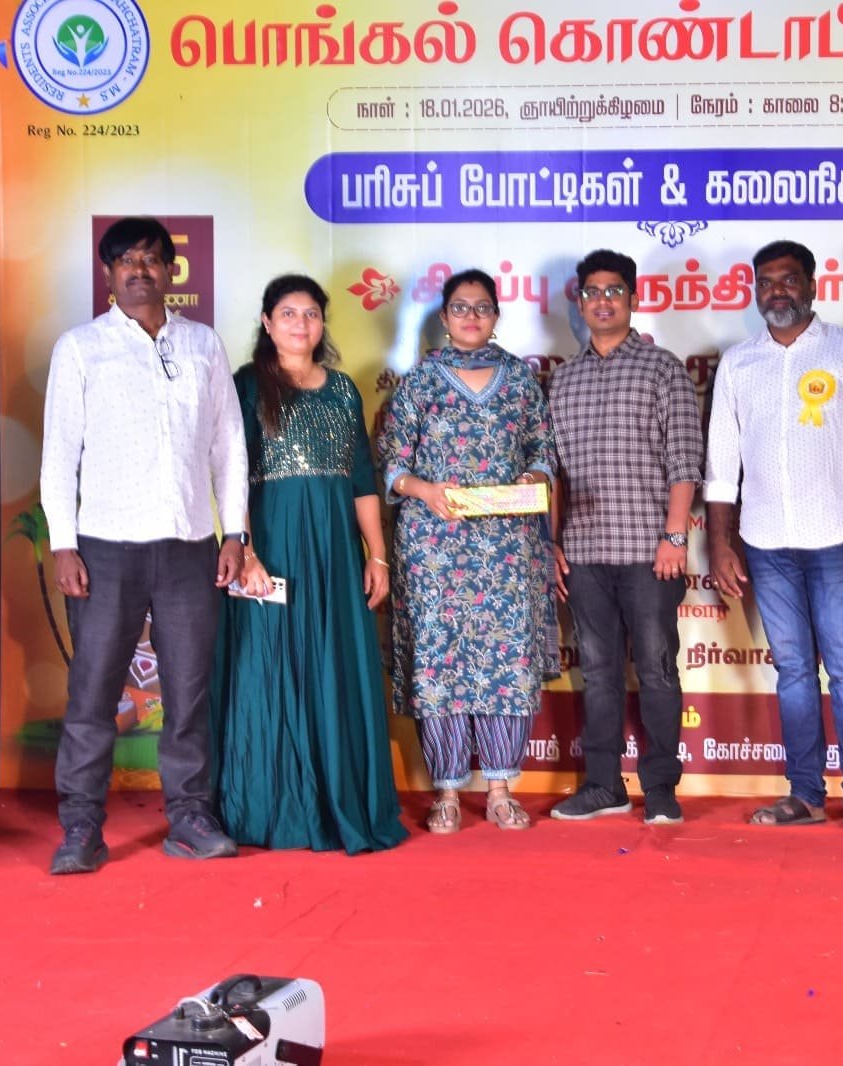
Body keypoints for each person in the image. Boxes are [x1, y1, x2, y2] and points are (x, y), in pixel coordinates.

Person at [40, 216, 247, 873]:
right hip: (105, 549)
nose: (139, 270)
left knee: (188, 694)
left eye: (151, 259)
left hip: (189, 546)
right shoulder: (81, 348)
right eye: (125, 260)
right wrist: (63, 544)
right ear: (108, 274)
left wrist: (235, 532)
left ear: (171, 271)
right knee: (93, 694)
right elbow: (58, 454)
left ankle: (190, 816)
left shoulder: (202, 345)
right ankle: (81, 827)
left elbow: (228, 446)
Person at [705, 239, 843, 840]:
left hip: (840, 539)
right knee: (792, 671)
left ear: (812, 285)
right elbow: (722, 466)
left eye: (788, 280)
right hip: (766, 543)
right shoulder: (739, 364)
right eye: (766, 282)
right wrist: (720, 544)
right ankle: (806, 793)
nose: (777, 292)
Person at [209, 275, 408, 854]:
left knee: (333, 666)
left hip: (334, 551)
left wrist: (377, 555)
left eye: (312, 314)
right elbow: (231, 475)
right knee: (266, 667)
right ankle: (269, 808)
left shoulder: (343, 390)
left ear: (323, 324)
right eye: (289, 313)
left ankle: (338, 801)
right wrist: (245, 548)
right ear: (267, 323)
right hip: (269, 544)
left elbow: (362, 480)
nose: (301, 323)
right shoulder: (246, 386)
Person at [376, 269, 558, 833]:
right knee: (440, 663)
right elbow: (391, 463)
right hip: (434, 548)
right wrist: (425, 490)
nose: (471, 316)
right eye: (460, 307)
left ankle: (500, 789)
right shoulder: (419, 383)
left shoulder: (520, 379)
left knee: (507, 660)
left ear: (496, 315)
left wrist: (534, 474)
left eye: (482, 307)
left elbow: (543, 448)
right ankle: (447, 792)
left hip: (507, 548)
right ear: (444, 317)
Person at [547, 250, 704, 824]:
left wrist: (675, 538)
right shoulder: (563, 379)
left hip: (649, 552)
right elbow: (553, 473)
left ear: (632, 299)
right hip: (584, 553)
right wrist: (552, 543)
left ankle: (661, 787)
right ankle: (603, 785)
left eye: (614, 290)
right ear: (580, 302)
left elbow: (685, 462)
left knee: (657, 670)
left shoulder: (663, 369)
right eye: (592, 292)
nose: (603, 301)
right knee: (598, 674)